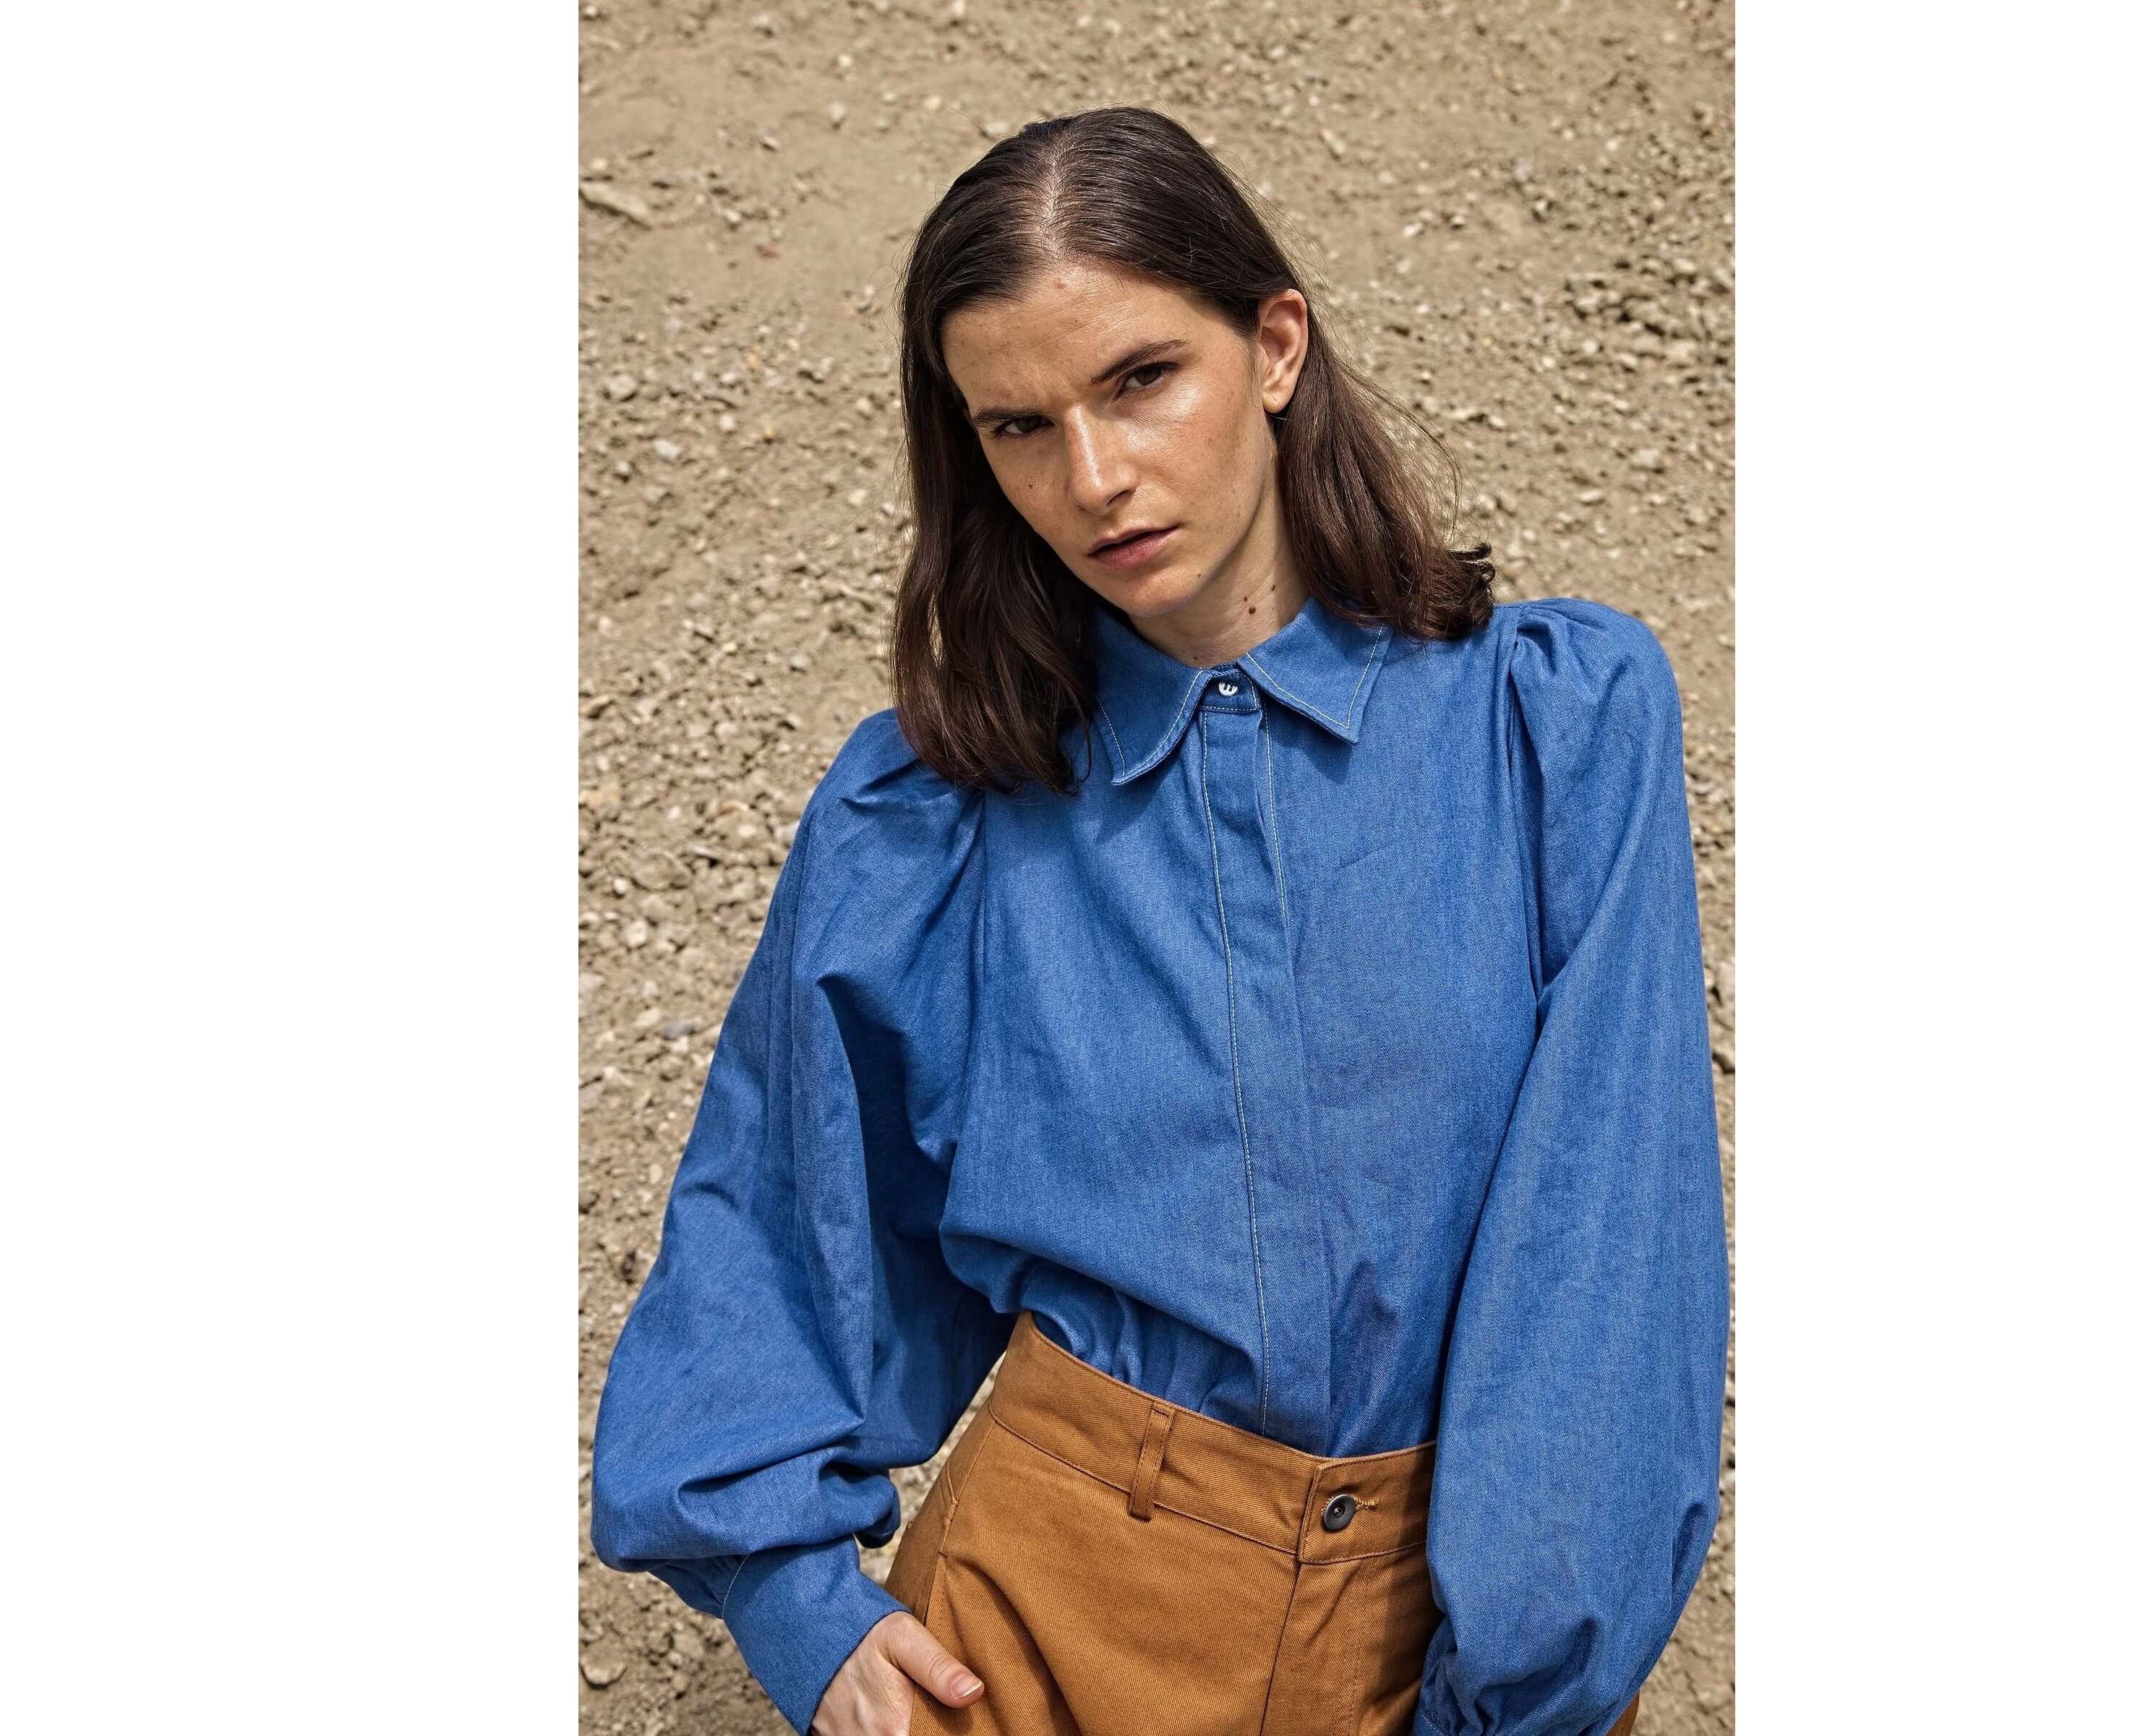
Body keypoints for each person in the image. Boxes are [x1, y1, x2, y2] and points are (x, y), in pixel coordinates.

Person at [590, 106, 1727, 1736]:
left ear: (1274, 345)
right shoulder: (932, 816)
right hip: (1042, 1628)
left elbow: (1602, 1249)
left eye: (1139, 380)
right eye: (1017, 425)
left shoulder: (1553, 724)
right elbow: (786, 1221)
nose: (1092, 477)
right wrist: (800, 1609)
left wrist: (1530, 1681)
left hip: (1441, 1639)